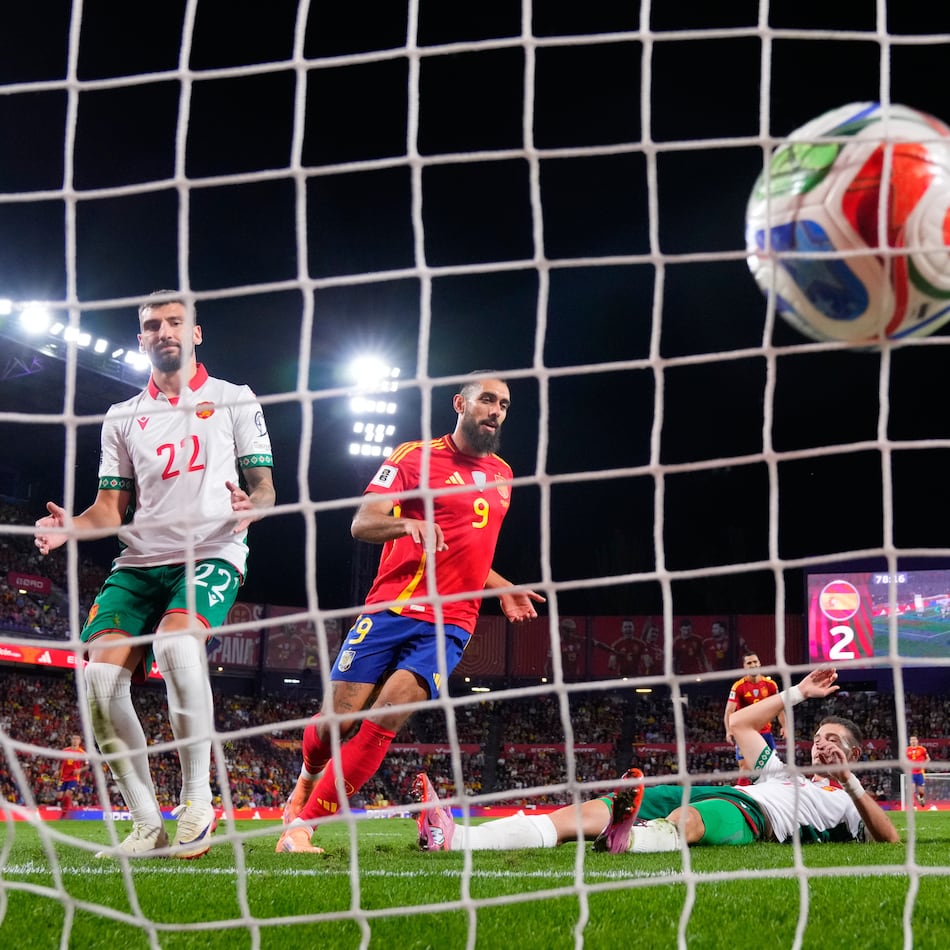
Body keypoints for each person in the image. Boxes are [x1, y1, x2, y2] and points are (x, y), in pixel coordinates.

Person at [34, 292, 275, 859]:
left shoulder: (234, 399)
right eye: (151, 325)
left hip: (212, 552)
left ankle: (197, 801)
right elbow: (109, 511)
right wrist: (75, 527)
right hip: (139, 561)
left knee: (177, 648)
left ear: (195, 334)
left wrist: (253, 506)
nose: (163, 330)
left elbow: (264, 485)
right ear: (140, 339)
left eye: (175, 322)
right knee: (97, 682)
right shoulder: (122, 417)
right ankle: (146, 822)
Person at [276, 374, 544, 853]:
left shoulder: (504, 475)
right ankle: (305, 780)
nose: (496, 410)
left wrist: (503, 588)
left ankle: (304, 827)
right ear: (460, 403)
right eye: (487, 399)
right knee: (336, 721)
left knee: (386, 718)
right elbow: (363, 522)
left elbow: (470, 555)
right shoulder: (412, 457)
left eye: (503, 404)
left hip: (452, 621)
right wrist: (408, 522)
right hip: (393, 606)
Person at [414, 666, 900, 852]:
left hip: (753, 815)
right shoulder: (779, 768)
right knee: (585, 812)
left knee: (686, 820)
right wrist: (796, 692)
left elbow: (889, 839)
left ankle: (635, 838)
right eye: (819, 737)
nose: (821, 745)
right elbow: (740, 725)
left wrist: (849, 780)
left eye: (833, 741)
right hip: (731, 791)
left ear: (854, 754)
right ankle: (455, 837)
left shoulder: (844, 805)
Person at [723, 652, 786, 784]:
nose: (753, 665)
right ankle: (743, 795)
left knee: (771, 767)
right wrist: (729, 730)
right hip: (745, 733)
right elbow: (729, 711)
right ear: (745, 666)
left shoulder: (770, 685)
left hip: (766, 733)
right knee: (745, 767)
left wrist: (785, 726)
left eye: (755, 662)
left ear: (759, 664)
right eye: (749, 663)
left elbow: (779, 707)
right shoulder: (738, 686)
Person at [56, 734, 86, 818]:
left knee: (67, 794)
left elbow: (88, 766)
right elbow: (60, 762)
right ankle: (74, 800)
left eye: (77, 739)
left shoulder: (82, 753)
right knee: (59, 796)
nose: (75, 740)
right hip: (63, 777)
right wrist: (58, 770)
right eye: (73, 739)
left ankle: (66, 812)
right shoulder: (65, 751)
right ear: (71, 740)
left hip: (73, 777)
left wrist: (80, 770)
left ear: (80, 741)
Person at [906, 735, 931, 807]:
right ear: (910, 741)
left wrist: (924, 765)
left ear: (917, 741)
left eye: (914, 740)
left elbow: (928, 759)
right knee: (912, 789)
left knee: (921, 792)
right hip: (911, 773)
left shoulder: (922, 749)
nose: (913, 741)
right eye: (911, 740)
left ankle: (921, 798)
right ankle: (913, 806)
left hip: (920, 773)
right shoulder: (907, 750)